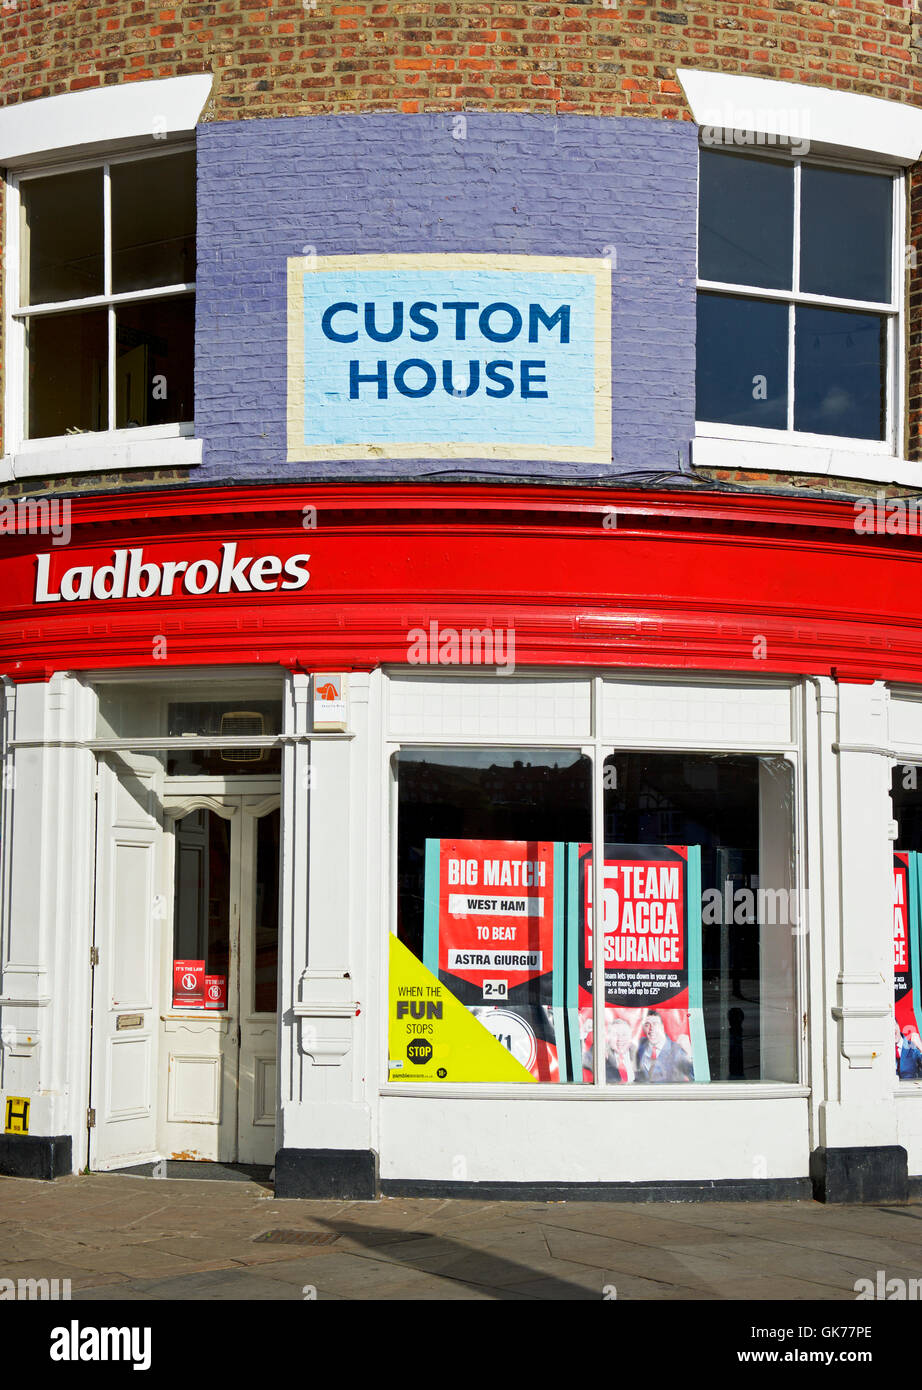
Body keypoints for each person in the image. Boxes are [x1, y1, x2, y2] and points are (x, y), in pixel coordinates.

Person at [635, 1011, 694, 1083]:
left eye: (655, 1024)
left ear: (662, 1027)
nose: (651, 1028)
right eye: (647, 1025)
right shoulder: (640, 1045)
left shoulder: (677, 1050)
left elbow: (694, 1077)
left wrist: (689, 1054)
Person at [604, 1012, 636, 1084]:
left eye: (624, 1034)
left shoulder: (637, 1052)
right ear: (609, 1038)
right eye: (615, 1035)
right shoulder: (603, 1054)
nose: (620, 1039)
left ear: (630, 1037)